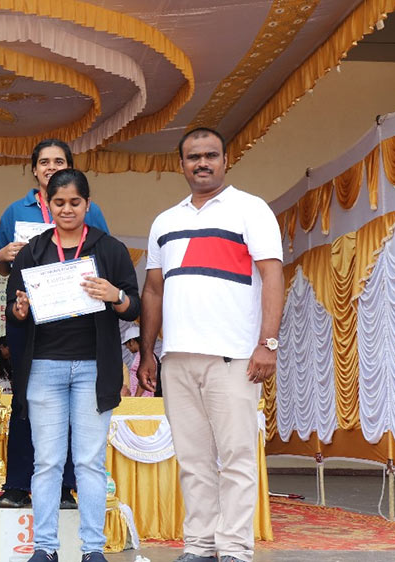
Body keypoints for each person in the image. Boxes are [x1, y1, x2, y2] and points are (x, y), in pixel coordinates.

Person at [137, 127, 283, 562]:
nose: (202, 163)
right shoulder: (165, 222)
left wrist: (268, 344)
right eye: (193, 156)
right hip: (177, 359)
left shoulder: (251, 209)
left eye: (211, 155)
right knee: (193, 460)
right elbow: (153, 291)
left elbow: (273, 276)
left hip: (233, 357)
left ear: (225, 160)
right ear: (180, 164)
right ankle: (199, 546)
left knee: (237, 456)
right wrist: (147, 352)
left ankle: (234, 548)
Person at [6, 169, 139, 562]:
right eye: (59, 202)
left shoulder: (109, 249)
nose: (67, 209)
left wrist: (115, 295)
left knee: (89, 463)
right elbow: (15, 311)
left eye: (75, 202)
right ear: (48, 204)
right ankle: (45, 548)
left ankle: (93, 550)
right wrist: (19, 309)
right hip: (44, 367)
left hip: (93, 370)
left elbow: (133, 305)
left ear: (88, 204)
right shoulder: (32, 251)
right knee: (47, 462)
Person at [0, 139, 109, 509]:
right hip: (28, 318)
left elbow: (104, 255)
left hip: (75, 320)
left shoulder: (92, 210)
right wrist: (4, 255)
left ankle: (63, 486)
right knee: (25, 398)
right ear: (34, 170)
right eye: (44, 162)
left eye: (59, 161)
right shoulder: (15, 210)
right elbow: (0, 265)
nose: (51, 167)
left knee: (73, 404)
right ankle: (17, 483)